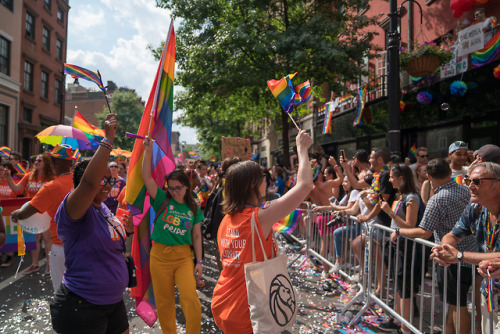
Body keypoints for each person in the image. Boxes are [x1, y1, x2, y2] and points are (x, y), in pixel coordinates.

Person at [211, 130, 313, 333]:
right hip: (249, 314)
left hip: (224, 305)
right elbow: (305, 185)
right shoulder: (258, 217)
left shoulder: (226, 220)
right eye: (263, 178)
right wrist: (302, 149)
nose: (267, 181)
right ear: (252, 185)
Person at [49, 114, 131, 334]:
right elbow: (89, 183)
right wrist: (108, 139)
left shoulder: (103, 207)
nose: (107, 185)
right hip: (82, 307)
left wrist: (127, 230)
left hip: (113, 303)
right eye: (102, 179)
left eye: (110, 180)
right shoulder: (74, 208)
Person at [391, 158, 476, 334]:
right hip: (472, 254)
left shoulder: (438, 199)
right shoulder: (465, 190)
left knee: (457, 305)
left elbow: (424, 232)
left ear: (429, 176)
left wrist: (400, 231)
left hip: (451, 258)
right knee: (454, 304)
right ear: (449, 173)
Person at [142, 137, 204, 334]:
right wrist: (148, 150)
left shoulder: (193, 208)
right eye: (171, 188)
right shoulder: (161, 199)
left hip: (183, 257)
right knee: (165, 303)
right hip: (159, 256)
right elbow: (146, 177)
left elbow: (196, 237)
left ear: (187, 186)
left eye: (179, 187)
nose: (175, 192)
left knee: (190, 300)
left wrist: (199, 262)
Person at [432, 162, 500, 332]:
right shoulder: (476, 208)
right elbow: (453, 235)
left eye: (477, 182)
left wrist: (459, 256)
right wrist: (444, 250)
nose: (470, 186)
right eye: (468, 180)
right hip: (490, 292)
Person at [11, 144, 77, 292]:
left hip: (61, 247)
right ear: (71, 163)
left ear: (53, 163)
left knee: (61, 291)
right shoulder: (81, 182)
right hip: (83, 245)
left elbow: (24, 213)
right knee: (81, 290)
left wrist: (15, 214)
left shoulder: (51, 188)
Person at [378, 164, 425, 333]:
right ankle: (398, 320)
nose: (389, 180)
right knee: (398, 285)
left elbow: (410, 225)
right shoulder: (402, 195)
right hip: (397, 245)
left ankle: (405, 328)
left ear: (402, 178)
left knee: (404, 287)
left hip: (407, 247)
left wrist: (389, 213)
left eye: (392, 177)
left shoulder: (412, 197)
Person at [6, 154, 55, 275]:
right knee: (34, 238)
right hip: (31, 212)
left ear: (46, 163)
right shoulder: (29, 176)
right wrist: (8, 177)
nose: (36, 162)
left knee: (47, 238)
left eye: (39, 160)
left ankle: (49, 264)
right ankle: (34, 264)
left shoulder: (52, 178)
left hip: (46, 212)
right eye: (35, 161)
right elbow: (16, 189)